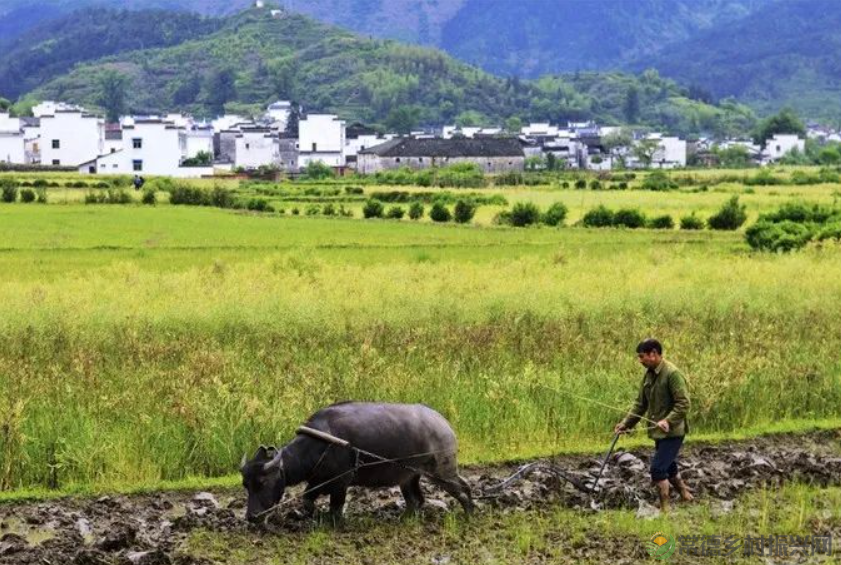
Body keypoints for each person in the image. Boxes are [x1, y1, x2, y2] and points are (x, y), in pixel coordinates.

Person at [614, 338, 692, 512]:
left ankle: (664, 509)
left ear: (654, 354)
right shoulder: (649, 374)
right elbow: (640, 404)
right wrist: (626, 424)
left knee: (657, 469)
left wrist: (668, 420)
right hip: (659, 433)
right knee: (669, 466)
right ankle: (686, 495)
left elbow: (684, 403)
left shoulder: (672, 374)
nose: (640, 361)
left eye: (642, 356)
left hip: (672, 432)